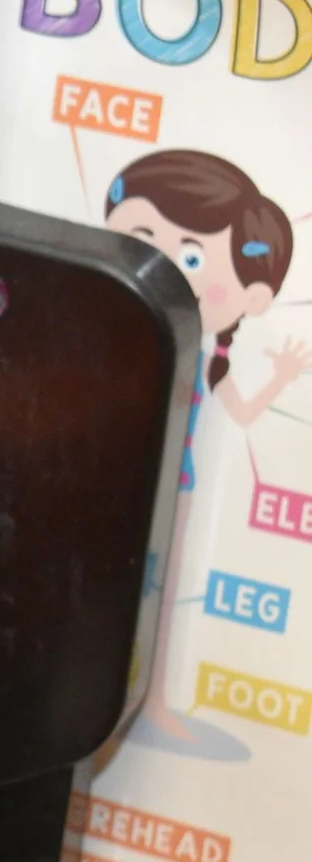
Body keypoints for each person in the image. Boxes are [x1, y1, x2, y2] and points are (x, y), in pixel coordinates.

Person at [103, 149, 309, 755]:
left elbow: (240, 411)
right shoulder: (112, 333)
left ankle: (153, 703)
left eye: (192, 255)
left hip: (179, 485)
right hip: (106, 477)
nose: (164, 263)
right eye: (144, 235)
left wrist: (281, 377)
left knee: (156, 595)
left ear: (253, 297)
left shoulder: (204, 361)